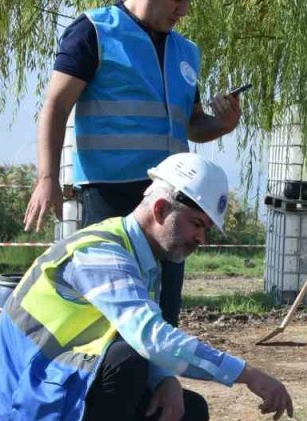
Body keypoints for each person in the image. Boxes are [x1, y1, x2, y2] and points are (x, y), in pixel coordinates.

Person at [0, 154, 293, 421]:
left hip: (51, 389)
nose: (201, 239)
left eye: (206, 229)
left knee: (188, 412)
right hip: (15, 401)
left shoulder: (143, 261)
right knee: (128, 360)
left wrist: (164, 379)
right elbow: (150, 339)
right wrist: (249, 375)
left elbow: (139, 334)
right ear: (159, 210)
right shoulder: (102, 253)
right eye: (196, 224)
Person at [22, 0, 242, 329]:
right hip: (111, 195)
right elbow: (56, 104)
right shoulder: (94, 31)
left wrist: (223, 124)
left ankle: (159, 380)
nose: (183, 11)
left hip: (171, 199)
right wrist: (47, 177)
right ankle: (111, 379)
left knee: (163, 311)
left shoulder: (186, 51)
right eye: (177, 1)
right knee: (110, 310)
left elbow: (193, 124)